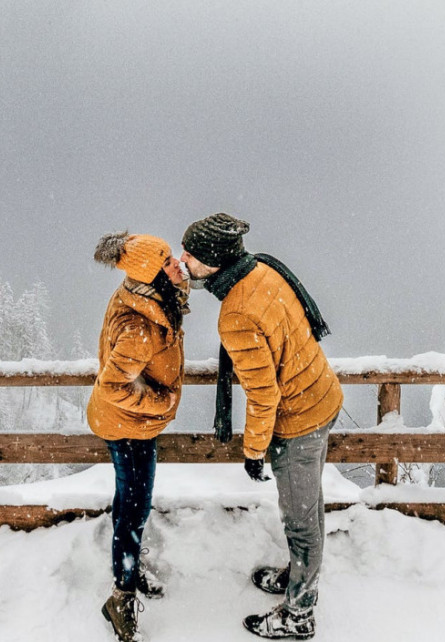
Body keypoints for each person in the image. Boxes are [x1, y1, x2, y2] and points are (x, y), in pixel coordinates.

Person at [180, 213, 342, 641]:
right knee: (309, 507)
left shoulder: (236, 313)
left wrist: (253, 451)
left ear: (213, 263)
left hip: (299, 421)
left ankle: (298, 615)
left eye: (190, 255)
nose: (183, 261)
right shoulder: (262, 268)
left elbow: (263, 393)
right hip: (321, 395)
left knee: (300, 521)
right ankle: (298, 579)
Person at [89, 231, 189, 642]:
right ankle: (121, 595)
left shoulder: (144, 297)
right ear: (153, 276)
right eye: (168, 261)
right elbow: (111, 386)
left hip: (128, 424)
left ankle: (127, 568)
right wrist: (160, 404)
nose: (177, 264)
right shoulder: (139, 328)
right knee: (134, 507)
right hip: (128, 427)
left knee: (129, 501)